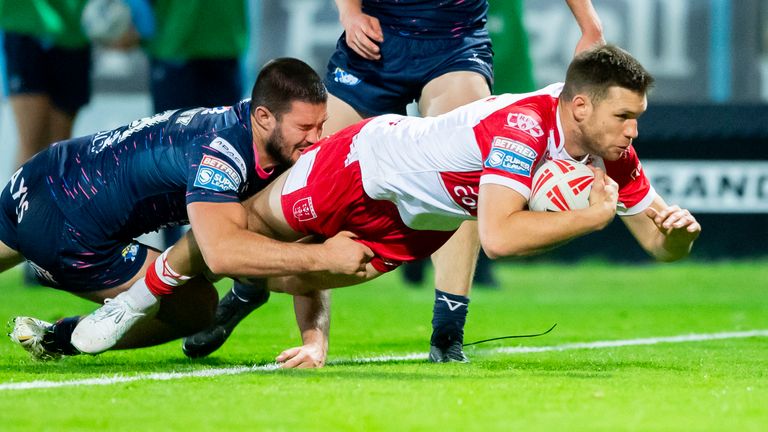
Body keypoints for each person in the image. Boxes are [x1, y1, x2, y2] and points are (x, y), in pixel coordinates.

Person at [70, 45, 701, 368]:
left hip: (414, 221)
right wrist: (590, 218)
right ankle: (134, 299)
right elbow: (501, 235)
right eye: (625, 117)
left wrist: (678, 233)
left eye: (638, 119)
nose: (633, 134)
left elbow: (656, 242)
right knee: (242, 228)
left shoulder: (609, 144)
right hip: (367, 164)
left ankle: (277, 309)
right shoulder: (522, 127)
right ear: (581, 106)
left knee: (304, 269)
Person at [183, 0, 606, 363]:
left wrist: (591, 25)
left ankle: (447, 330)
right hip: (373, 48)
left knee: (473, 169)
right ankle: (250, 286)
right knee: (302, 172)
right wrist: (349, 11)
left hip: (453, 46)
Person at [4, 58, 373, 361]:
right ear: (264, 117)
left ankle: (248, 292)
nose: (317, 139)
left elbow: (293, 234)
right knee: (198, 306)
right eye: (305, 127)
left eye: (321, 125)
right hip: (70, 229)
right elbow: (222, 254)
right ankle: (58, 338)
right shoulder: (222, 155)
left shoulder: (255, 128)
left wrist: (313, 339)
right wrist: (326, 258)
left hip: (41, 173)